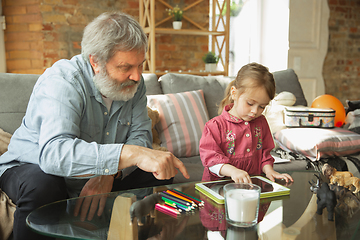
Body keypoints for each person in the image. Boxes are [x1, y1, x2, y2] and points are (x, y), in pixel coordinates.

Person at [0, 11, 189, 240]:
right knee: (43, 185)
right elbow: (54, 154)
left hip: (96, 172)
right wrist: (128, 154)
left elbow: (140, 137)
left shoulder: (135, 86)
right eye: (125, 67)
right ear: (95, 62)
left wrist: (109, 173)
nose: (138, 76)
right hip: (31, 164)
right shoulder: (63, 81)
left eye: (141, 64)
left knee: (159, 171)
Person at [199, 63, 292, 184]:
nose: (255, 111)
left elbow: (265, 153)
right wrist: (233, 171)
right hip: (219, 189)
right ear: (234, 94)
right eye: (250, 103)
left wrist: (269, 171)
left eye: (262, 107)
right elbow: (211, 160)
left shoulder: (261, 122)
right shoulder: (214, 126)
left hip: (251, 188)